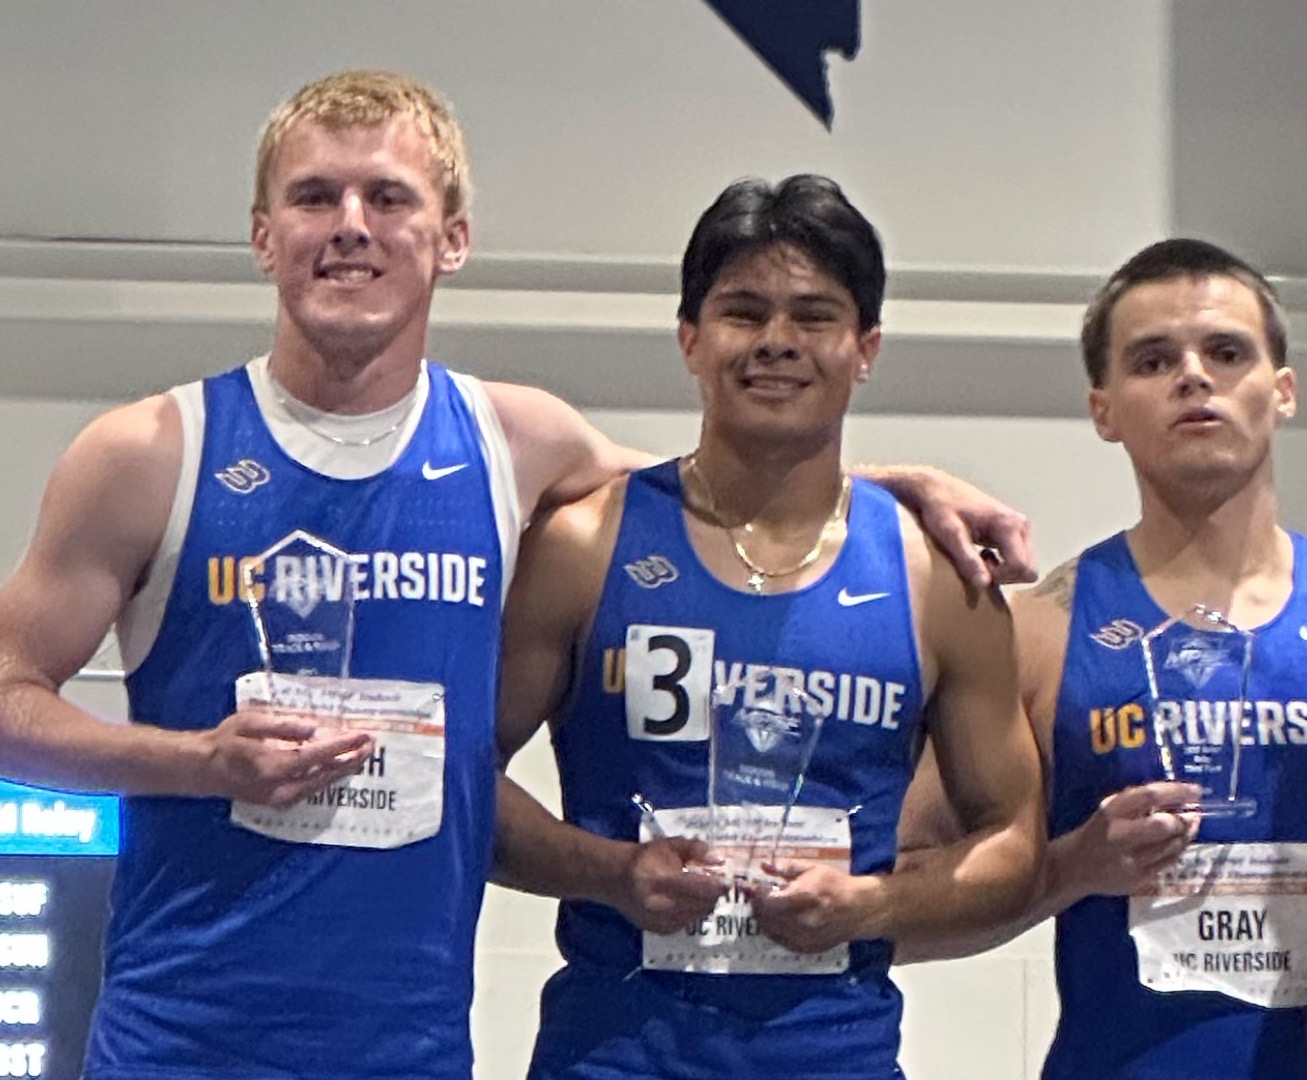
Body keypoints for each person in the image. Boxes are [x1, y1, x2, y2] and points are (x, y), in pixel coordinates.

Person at [0, 72, 1031, 1080]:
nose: (351, 225)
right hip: (179, 1042)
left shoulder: (516, 441)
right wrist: (197, 761)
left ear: (451, 240)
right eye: (315, 196)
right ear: (264, 235)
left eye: (389, 197)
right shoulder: (147, 452)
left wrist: (898, 486)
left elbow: (736, 482)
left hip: (414, 1051)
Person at [489, 173, 1046, 1080]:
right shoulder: (585, 546)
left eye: (814, 316)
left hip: (837, 1058)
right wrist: (612, 874)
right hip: (612, 1057)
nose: (777, 342)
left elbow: (1013, 842)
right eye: (743, 312)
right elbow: (460, 778)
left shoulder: (935, 579)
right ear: (690, 339)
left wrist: (869, 905)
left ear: (865, 347)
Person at [896, 238, 1307, 1080]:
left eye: (1227, 352)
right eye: (1153, 359)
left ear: (1283, 390)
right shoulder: (1038, 635)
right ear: (1103, 408)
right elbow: (893, 912)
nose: (1194, 376)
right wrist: (1071, 867)